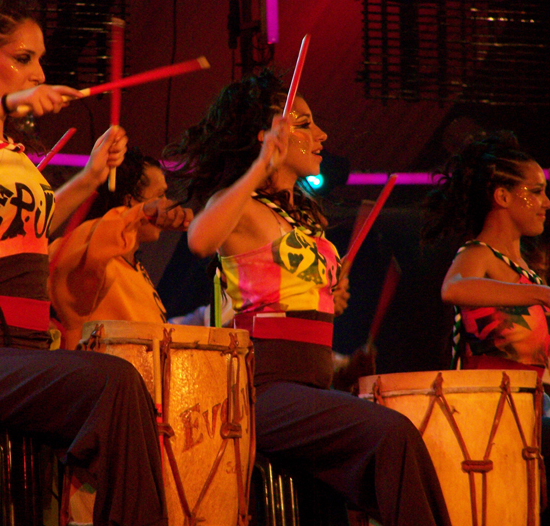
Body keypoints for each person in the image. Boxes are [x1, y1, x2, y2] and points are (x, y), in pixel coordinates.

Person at [0, 1, 166, 524]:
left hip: (24, 349)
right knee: (115, 383)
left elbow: (36, 232)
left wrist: (89, 178)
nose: (39, 73)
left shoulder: (9, 153)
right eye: (24, 58)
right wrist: (4, 106)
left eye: (38, 61)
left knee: (126, 382)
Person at [164, 69, 451, 526]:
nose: (322, 134)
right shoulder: (244, 207)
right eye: (304, 124)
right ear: (267, 136)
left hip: (310, 385)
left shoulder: (303, 219)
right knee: (391, 434)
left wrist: (323, 300)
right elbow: (199, 239)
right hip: (262, 389)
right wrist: (260, 165)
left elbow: (284, 300)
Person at [422, 132, 550, 374]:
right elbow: (454, 288)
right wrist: (541, 294)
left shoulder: (528, 271)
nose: (547, 202)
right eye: (536, 191)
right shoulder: (477, 254)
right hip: (492, 403)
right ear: (502, 196)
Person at [48, 147, 193, 348]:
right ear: (129, 200)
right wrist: (142, 212)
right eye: (160, 196)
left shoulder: (133, 267)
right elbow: (94, 237)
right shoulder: (94, 257)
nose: (166, 204)